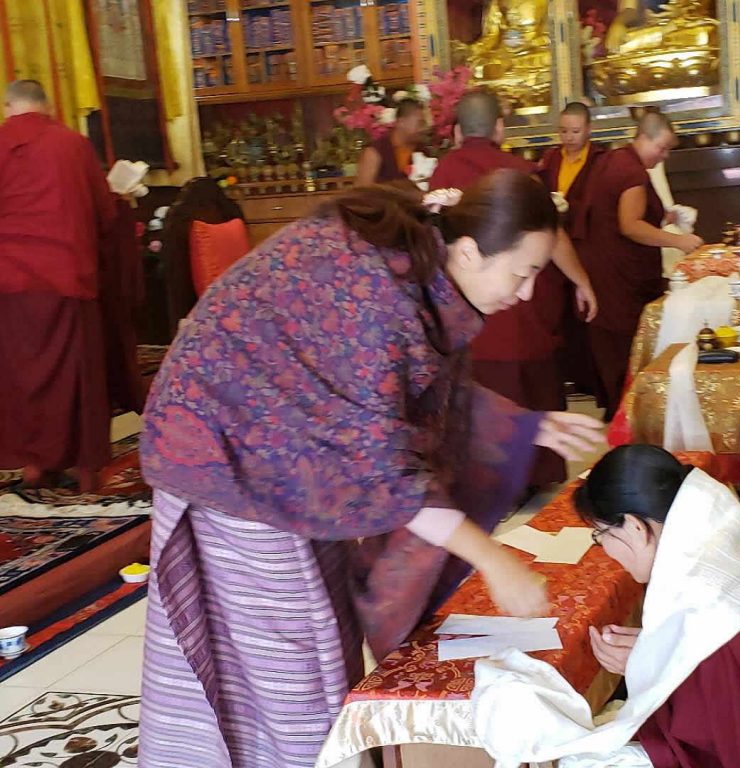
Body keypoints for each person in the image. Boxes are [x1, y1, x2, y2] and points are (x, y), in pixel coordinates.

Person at [138, 171, 605, 767]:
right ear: (469, 251)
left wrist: (522, 425)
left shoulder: (422, 264)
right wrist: (494, 562)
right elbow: (387, 470)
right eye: (523, 272)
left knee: (325, 628)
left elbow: (412, 394)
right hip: (229, 454)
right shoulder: (376, 295)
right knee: (292, 655)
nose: (528, 291)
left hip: (291, 454)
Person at [471, 445, 740, 768]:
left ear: (635, 527)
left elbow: (706, 742)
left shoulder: (708, 603)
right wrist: (659, 652)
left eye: (602, 535)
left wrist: (648, 665)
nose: (605, 550)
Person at [430, 91, 599, 489]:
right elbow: (552, 238)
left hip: (471, 315)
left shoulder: (442, 174)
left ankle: (491, 482)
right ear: (500, 128)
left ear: (457, 133)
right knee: (524, 382)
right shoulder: (519, 174)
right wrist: (581, 280)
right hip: (516, 321)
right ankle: (534, 477)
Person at [0, 79, 117, 493]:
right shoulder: (73, 145)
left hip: (9, 282)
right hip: (67, 277)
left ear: (9, 107)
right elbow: (105, 214)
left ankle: (34, 464)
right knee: (76, 375)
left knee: (20, 375)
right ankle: (86, 469)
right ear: (46, 105)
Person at [577, 111, 703, 419]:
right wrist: (678, 241)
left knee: (615, 344)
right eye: (662, 148)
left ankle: (621, 412)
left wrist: (666, 216)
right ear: (643, 137)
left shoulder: (615, 160)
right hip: (620, 274)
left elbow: (619, 211)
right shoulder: (630, 171)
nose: (664, 156)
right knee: (626, 344)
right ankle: (628, 416)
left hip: (603, 268)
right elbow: (630, 225)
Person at [538, 102, 606, 398]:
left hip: (586, 243)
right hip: (554, 243)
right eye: (563, 131)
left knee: (587, 313)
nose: (569, 137)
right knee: (560, 311)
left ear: (589, 130)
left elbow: (601, 202)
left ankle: (593, 380)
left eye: (575, 131)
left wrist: (572, 208)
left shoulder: (600, 160)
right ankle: (571, 376)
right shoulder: (551, 158)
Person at [355, 98, 427, 185]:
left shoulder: (422, 151)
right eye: (420, 123)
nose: (423, 128)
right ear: (401, 122)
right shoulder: (376, 151)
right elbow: (362, 190)